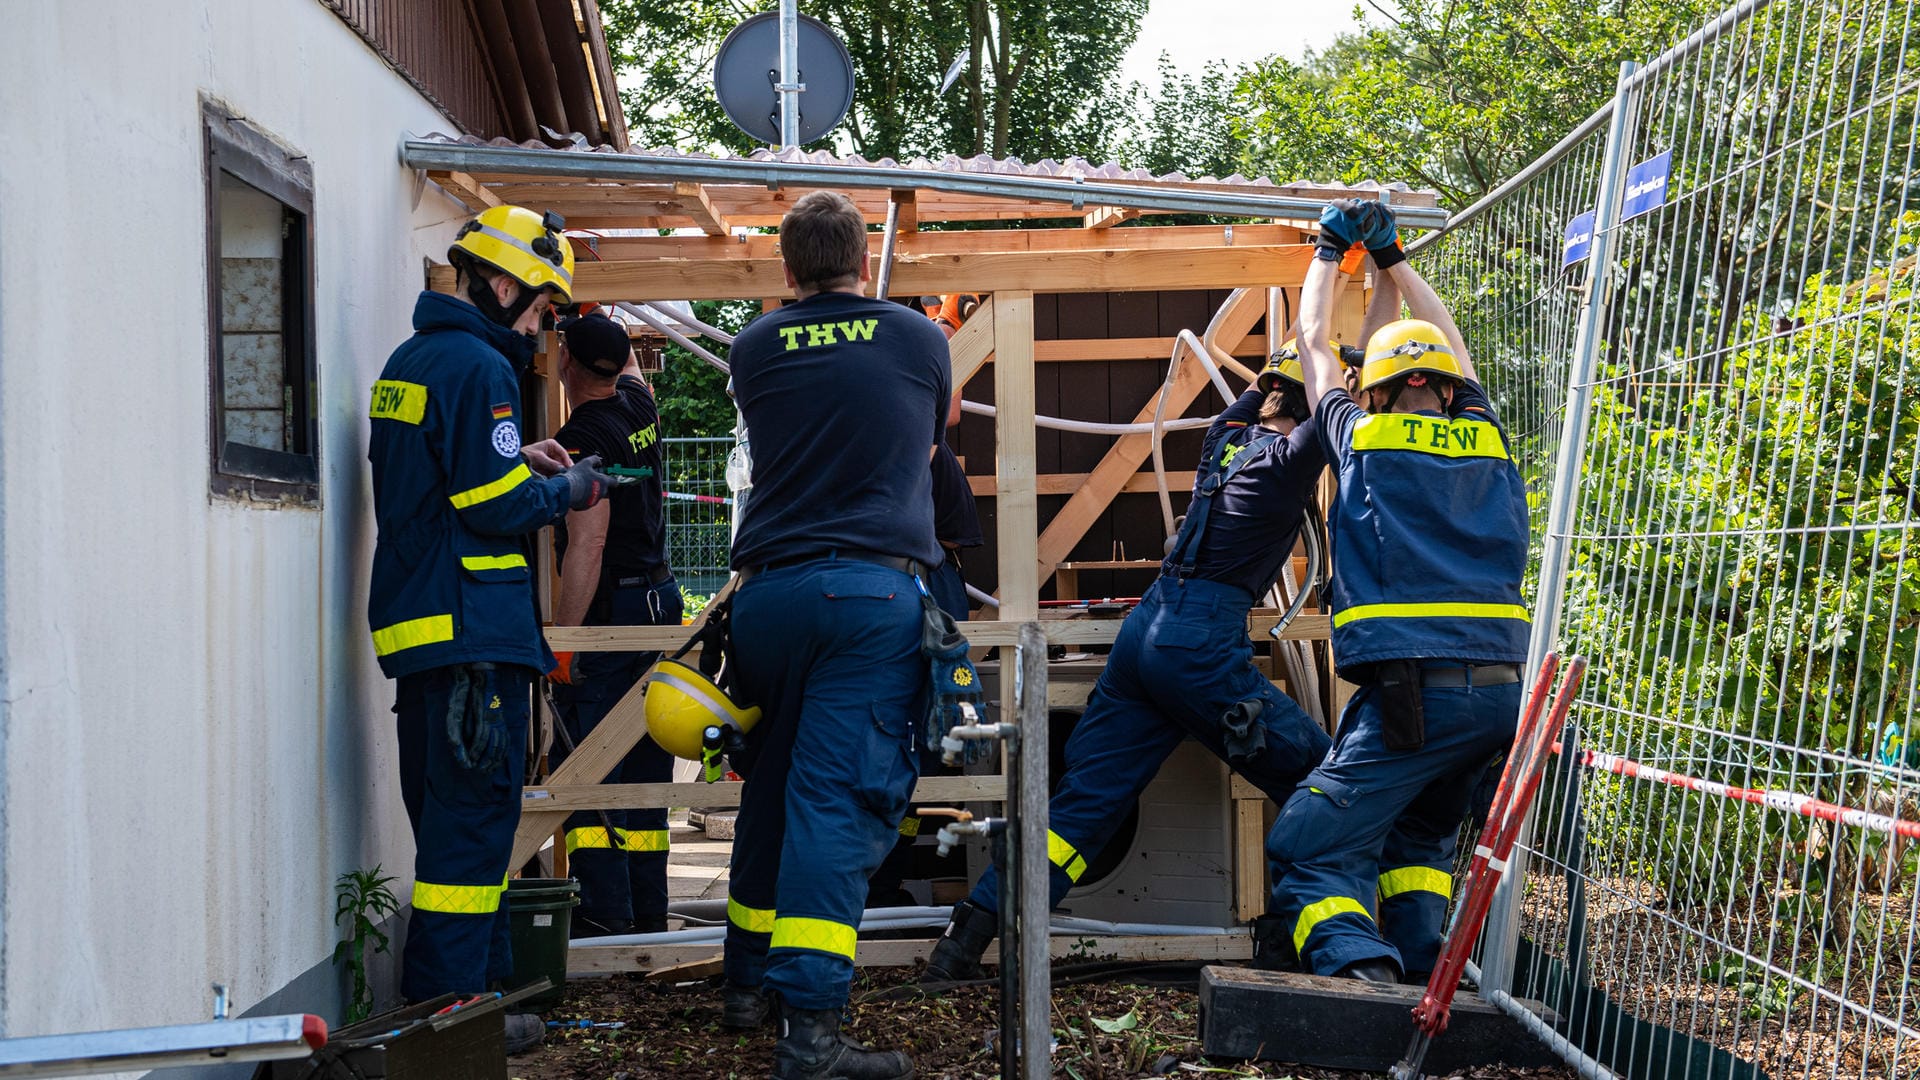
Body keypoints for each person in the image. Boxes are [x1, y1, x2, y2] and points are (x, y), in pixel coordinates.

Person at [923, 328, 1336, 983]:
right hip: (1200, 643)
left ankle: (962, 943)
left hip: (1149, 630)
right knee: (1323, 780)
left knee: (1084, 807)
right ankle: (1283, 945)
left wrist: (1280, 367)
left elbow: (1256, 399)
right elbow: (1335, 414)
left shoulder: (1223, 438)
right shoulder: (1290, 460)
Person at [367, 205, 615, 1050]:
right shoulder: (480, 368)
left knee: (448, 832)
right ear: (503, 283)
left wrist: (522, 458)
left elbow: (441, 485)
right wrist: (569, 490)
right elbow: (490, 503)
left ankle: (451, 1008)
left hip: (425, 635)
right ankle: (452, 1022)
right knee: (471, 843)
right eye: (544, 306)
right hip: (476, 638)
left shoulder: (413, 361)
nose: (548, 325)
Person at [1265, 199, 1531, 985]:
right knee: (1419, 840)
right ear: (1448, 391)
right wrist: (1393, 259)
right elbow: (1454, 345)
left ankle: (1359, 974)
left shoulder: (1361, 435)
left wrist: (1328, 249)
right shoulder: (1486, 434)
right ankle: (1421, 971)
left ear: (1372, 392)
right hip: (1505, 699)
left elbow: (1313, 341)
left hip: (1417, 694)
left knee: (1307, 846)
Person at [718, 190, 948, 1080]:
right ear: (861, 259)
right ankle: (810, 1033)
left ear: (785, 268)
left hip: (767, 600)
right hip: (866, 598)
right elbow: (926, 441)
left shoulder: (753, 346)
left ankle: (746, 987)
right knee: (834, 803)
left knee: (772, 789)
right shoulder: (919, 337)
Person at [546, 311, 682, 936]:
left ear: (565, 363)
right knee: (646, 770)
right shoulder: (637, 403)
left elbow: (587, 546)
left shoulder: (583, 438)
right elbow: (626, 365)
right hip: (658, 600)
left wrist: (566, 645)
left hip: (613, 613)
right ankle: (647, 914)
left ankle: (608, 920)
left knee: (590, 767)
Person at [867, 298, 985, 908]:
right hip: (920, 576)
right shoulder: (899, 413)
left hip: (932, 571)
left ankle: (889, 877)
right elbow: (944, 412)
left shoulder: (896, 405)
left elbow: (949, 410)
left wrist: (944, 324)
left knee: (925, 738)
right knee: (917, 733)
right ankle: (884, 880)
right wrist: (943, 326)